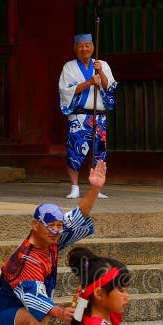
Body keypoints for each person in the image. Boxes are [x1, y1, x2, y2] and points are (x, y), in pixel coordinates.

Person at [0, 161, 106, 325]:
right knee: (39, 313)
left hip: (33, 313)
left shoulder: (52, 237)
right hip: (10, 312)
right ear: (35, 225)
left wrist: (94, 188)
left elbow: (79, 215)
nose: (57, 231)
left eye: (59, 226)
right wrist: (61, 312)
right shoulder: (26, 259)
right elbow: (36, 300)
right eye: (52, 226)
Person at [59, 33, 116, 200]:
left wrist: (101, 72)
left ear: (93, 47)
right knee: (74, 151)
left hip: (99, 117)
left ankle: (96, 188)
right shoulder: (69, 67)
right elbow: (66, 91)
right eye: (80, 46)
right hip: (78, 116)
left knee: (99, 152)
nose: (84, 49)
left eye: (87, 45)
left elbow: (110, 88)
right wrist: (89, 82)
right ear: (75, 49)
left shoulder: (102, 64)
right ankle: (74, 187)